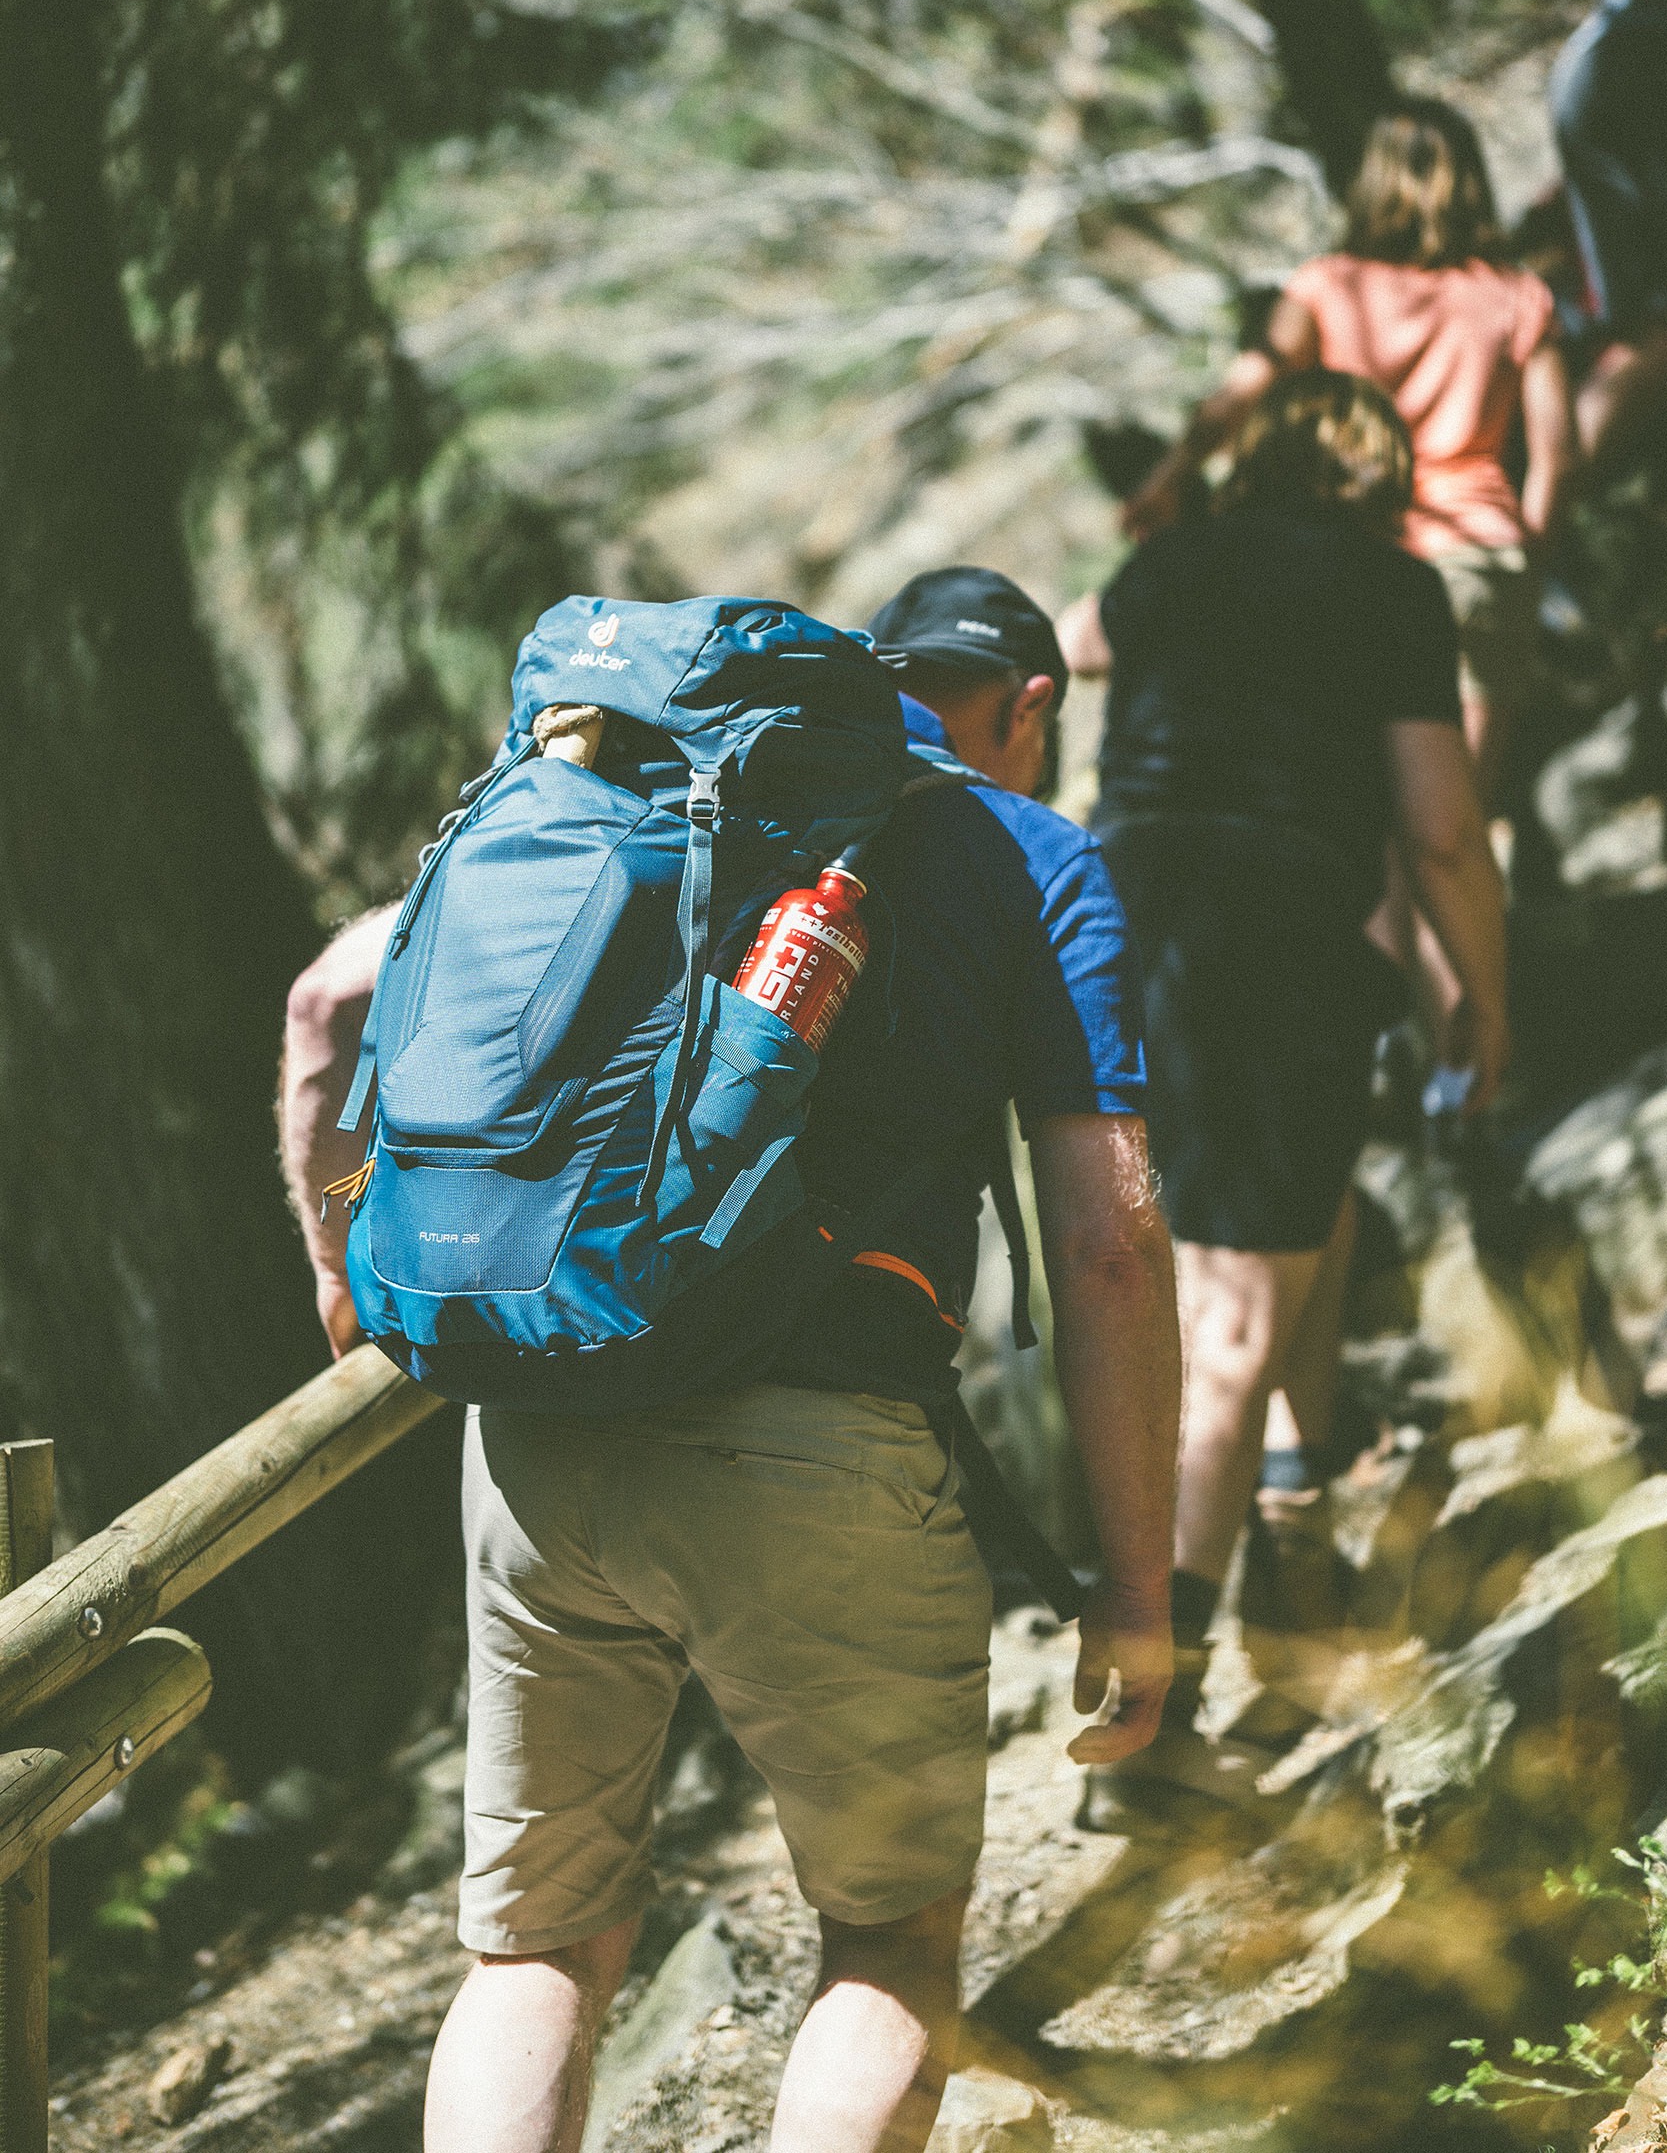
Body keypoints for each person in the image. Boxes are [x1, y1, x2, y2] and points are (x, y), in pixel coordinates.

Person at [279, 566, 1181, 2153]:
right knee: (890, 1940)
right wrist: (1136, 1591)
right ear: (1023, 709)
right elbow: (1108, 1243)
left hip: (540, 1436)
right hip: (819, 1442)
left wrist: (346, 1283)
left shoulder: (593, 795)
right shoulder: (1018, 851)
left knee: (536, 1947)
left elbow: (321, 1006)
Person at [1057, 372, 1509, 1795]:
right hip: (1271, 941)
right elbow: (1438, 830)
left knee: (1281, 1241)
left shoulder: (1162, 566)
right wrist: (1482, 1001)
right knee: (1233, 1321)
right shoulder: (1388, 587)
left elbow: (1071, 647)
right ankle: (1142, 1724)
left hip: (1114, 929)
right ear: (1375, 475)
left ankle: (1293, 1555)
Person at [1099, 98, 1576, 804]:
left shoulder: (1327, 285)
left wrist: (1167, 477)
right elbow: (1556, 453)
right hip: (1478, 550)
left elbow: (1236, 399)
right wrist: (1528, 552)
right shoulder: (1515, 296)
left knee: (1356, 797)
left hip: (1355, 549)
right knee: (1459, 812)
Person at [1549, 0, 1667, 479]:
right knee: (1654, 322)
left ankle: (1563, 493)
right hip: (1631, 77)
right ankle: (1565, 495)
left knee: (1640, 319)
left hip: (1593, 70)